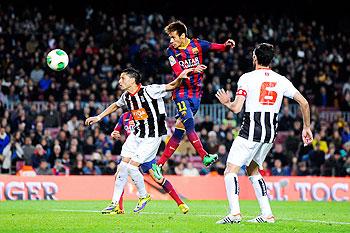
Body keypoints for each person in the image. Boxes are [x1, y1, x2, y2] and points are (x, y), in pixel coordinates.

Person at [215, 43, 313, 224]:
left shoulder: (247, 78)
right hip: (269, 133)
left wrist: (226, 102)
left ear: (255, 58)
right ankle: (267, 214)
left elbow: (237, 108)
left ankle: (235, 213)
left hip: (251, 130)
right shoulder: (281, 80)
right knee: (253, 170)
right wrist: (306, 127)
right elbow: (304, 103)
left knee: (230, 169)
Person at [85, 66, 204, 215]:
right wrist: (98, 117)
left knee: (133, 168)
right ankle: (115, 203)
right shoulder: (126, 96)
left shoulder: (150, 90)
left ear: (133, 80)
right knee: (122, 167)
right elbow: (116, 105)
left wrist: (182, 74)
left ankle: (144, 196)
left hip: (152, 137)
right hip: (136, 136)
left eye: (123, 78)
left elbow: (172, 85)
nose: (119, 81)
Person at [152, 20, 235, 179]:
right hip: (181, 92)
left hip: (196, 94)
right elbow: (177, 72)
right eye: (170, 38)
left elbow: (215, 47)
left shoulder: (197, 45)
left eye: (173, 37)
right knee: (189, 123)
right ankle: (204, 156)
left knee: (179, 131)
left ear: (183, 36)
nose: (171, 41)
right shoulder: (171, 51)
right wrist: (192, 69)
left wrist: (226, 45)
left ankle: (159, 164)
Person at [109, 110, 189, 214]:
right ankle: (119, 208)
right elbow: (117, 130)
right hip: (131, 151)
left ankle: (180, 203)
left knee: (158, 178)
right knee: (119, 175)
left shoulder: (144, 113)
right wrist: (114, 133)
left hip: (144, 150)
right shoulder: (124, 116)